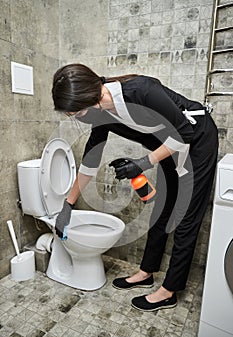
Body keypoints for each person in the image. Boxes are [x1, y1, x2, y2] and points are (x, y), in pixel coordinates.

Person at [52, 63, 218, 312]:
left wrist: (141, 163)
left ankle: (168, 291)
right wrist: (68, 204)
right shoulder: (99, 114)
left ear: (89, 97)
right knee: (162, 211)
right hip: (171, 148)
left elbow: (184, 133)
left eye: (73, 112)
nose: (73, 117)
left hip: (198, 139)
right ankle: (146, 272)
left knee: (184, 217)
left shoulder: (142, 90)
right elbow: (90, 160)